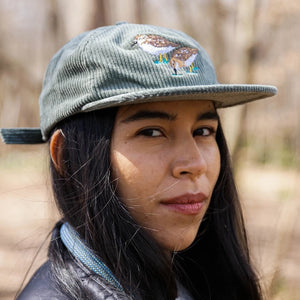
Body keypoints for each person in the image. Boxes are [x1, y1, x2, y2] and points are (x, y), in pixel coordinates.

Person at [1, 22, 277, 300]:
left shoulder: (191, 279)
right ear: (66, 155)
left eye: (203, 131)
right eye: (151, 132)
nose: (195, 164)